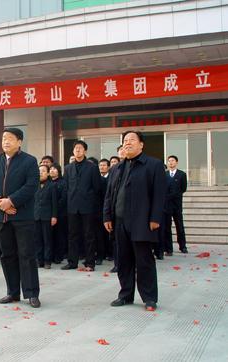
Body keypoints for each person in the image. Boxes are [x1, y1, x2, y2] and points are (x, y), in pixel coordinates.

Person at [104, 131, 166, 311]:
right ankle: (125, 295)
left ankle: (149, 298)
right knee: (123, 261)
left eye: (132, 140)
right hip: (119, 221)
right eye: (125, 141)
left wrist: (155, 218)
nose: (127, 143)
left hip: (142, 222)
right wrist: (107, 216)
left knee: (144, 260)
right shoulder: (116, 168)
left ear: (141, 144)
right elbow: (109, 196)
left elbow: (160, 195)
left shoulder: (153, 165)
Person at [0, 128, 41, 308]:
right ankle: (13, 292)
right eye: (3, 139)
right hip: (1, 217)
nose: (6, 142)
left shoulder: (29, 161)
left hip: (22, 216)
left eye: (10, 138)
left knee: (27, 255)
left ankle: (31, 293)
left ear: (19, 142)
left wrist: (12, 201)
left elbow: (31, 186)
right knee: (7, 256)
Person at [62, 140, 101, 271]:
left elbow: (97, 188)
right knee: (72, 235)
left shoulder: (92, 167)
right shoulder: (68, 168)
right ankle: (72, 262)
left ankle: (90, 263)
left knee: (89, 234)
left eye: (80, 148)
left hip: (87, 207)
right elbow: (66, 187)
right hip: (72, 207)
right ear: (73, 151)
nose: (77, 150)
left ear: (85, 151)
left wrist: (92, 204)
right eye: (75, 148)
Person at [34, 165, 57, 269]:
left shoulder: (52, 185)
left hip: (47, 216)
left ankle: (47, 261)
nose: (40, 173)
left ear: (48, 173)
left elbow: (54, 202)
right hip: (36, 216)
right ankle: (40, 261)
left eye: (43, 171)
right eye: (39, 171)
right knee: (37, 239)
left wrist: (54, 216)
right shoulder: (34, 185)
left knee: (47, 239)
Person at [164, 155, 188, 255]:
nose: (171, 162)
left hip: (177, 204)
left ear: (176, 162)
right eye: (169, 161)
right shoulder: (165, 174)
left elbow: (183, 188)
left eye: (173, 161)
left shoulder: (182, 174)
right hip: (167, 205)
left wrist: (174, 195)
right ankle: (169, 249)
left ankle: (182, 246)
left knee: (179, 226)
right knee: (167, 227)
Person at [49, 163, 67, 264]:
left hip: (60, 213)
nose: (52, 170)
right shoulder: (46, 183)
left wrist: (54, 208)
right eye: (51, 169)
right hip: (47, 214)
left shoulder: (63, 182)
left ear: (59, 171)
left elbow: (63, 198)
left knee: (59, 235)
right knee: (49, 235)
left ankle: (58, 256)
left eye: (54, 169)